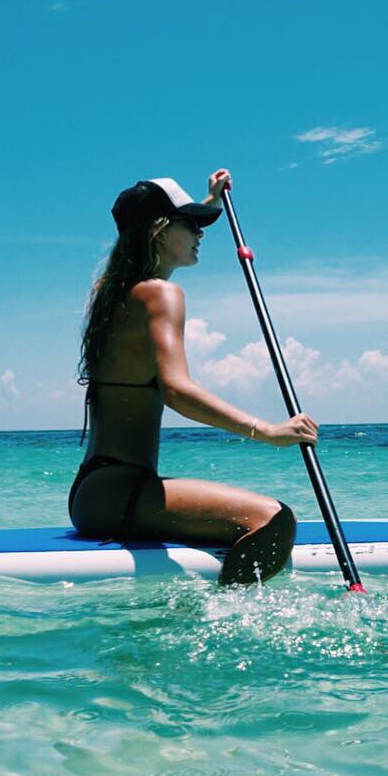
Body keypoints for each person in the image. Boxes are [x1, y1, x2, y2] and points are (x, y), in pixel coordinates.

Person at [69, 169, 319, 585]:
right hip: (121, 492)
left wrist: (209, 201)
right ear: (161, 230)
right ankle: (223, 626)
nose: (201, 233)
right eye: (192, 224)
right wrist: (268, 431)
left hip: (96, 492)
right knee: (274, 521)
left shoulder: (111, 293)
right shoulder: (160, 294)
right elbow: (176, 390)